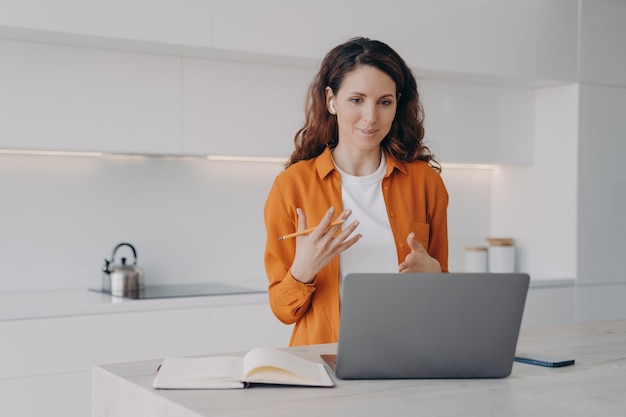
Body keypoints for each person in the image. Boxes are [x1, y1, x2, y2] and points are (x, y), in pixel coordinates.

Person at [264, 37, 449, 346]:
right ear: (331, 100)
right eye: (356, 100)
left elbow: (443, 298)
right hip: (324, 366)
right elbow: (283, 311)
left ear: (397, 104)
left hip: (410, 357)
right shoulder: (292, 186)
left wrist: (435, 278)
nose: (371, 117)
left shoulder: (425, 183)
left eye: (384, 102)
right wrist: (303, 270)